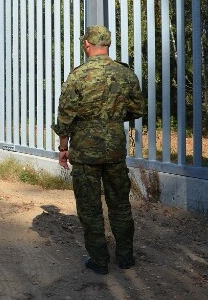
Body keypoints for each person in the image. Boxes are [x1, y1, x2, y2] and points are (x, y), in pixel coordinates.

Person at [53, 25, 145, 275]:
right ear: (108, 45)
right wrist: (112, 118)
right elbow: (137, 109)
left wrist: (64, 146)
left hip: (84, 151)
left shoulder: (78, 75)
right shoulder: (125, 74)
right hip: (115, 149)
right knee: (120, 205)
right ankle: (126, 257)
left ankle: (99, 261)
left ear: (87, 45)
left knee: (90, 207)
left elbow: (65, 116)